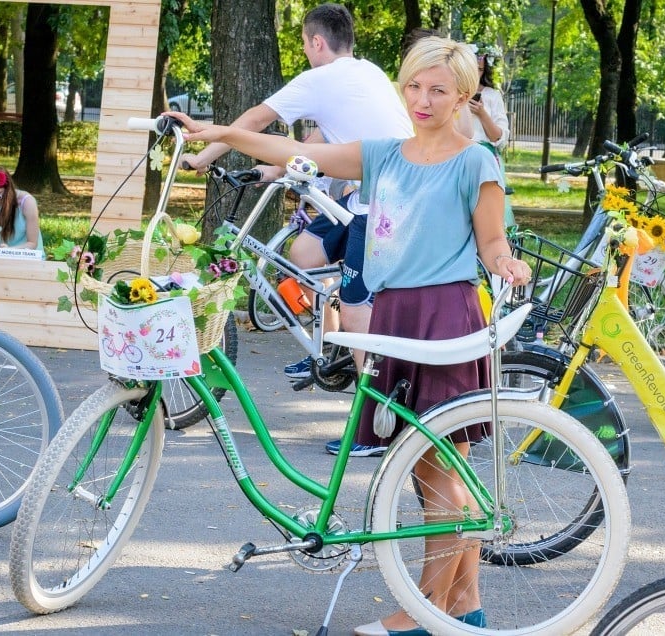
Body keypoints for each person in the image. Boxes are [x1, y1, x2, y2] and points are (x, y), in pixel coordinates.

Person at [167, 35, 532, 636]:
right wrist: (224, 134)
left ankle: (420, 613)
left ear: (462, 95)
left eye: (438, 89)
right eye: (413, 86)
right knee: (421, 473)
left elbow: (492, 241)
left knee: (443, 469)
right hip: (393, 318)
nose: (422, 98)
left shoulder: (475, 161)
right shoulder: (385, 154)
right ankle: (466, 606)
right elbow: (287, 148)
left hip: (444, 317)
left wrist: (507, 264)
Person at [180, 3, 413, 429]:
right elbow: (325, 140)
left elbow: (253, 120)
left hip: (382, 202)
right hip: (382, 193)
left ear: (317, 42)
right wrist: (274, 169)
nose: (306, 53)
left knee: (359, 307)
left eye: (306, 44)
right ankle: (332, 348)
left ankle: (378, 425)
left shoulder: (319, 79)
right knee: (307, 256)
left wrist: (200, 158)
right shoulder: (369, 73)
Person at [468, 42, 513, 227]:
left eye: (479, 70)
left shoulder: (492, 96)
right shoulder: (451, 93)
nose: (475, 74)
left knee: (487, 212)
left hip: (485, 158)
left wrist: (481, 113)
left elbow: (497, 137)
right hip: (457, 155)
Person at [0, 166, 43, 251]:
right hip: (2, 254)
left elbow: (32, 244)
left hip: (28, 256)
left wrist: (9, 250)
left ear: (8, 190)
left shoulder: (27, 202)